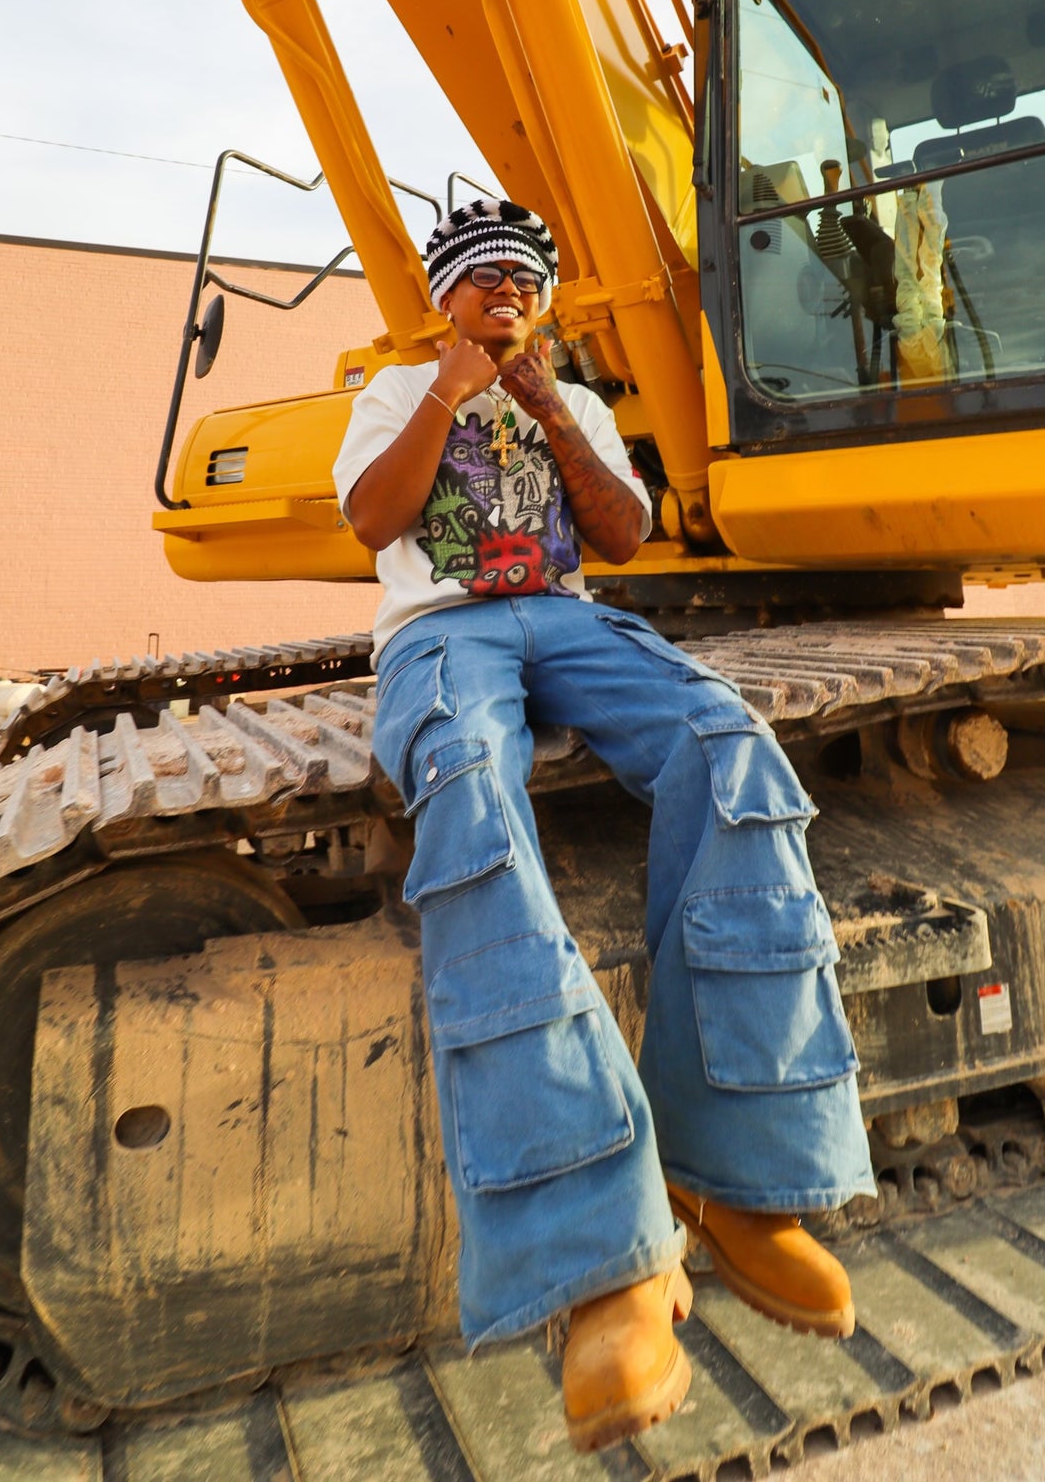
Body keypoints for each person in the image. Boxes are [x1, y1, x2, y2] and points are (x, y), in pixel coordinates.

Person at [333, 199, 874, 1453]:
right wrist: (449, 394)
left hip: (571, 620)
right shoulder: (395, 390)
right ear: (444, 298)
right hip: (443, 630)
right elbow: (373, 521)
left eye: (523, 281)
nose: (505, 294)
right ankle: (601, 1259)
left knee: (725, 743)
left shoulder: (570, 403)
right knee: (467, 782)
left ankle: (741, 1177)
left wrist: (547, 411)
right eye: (482, 282)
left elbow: (622, 533)